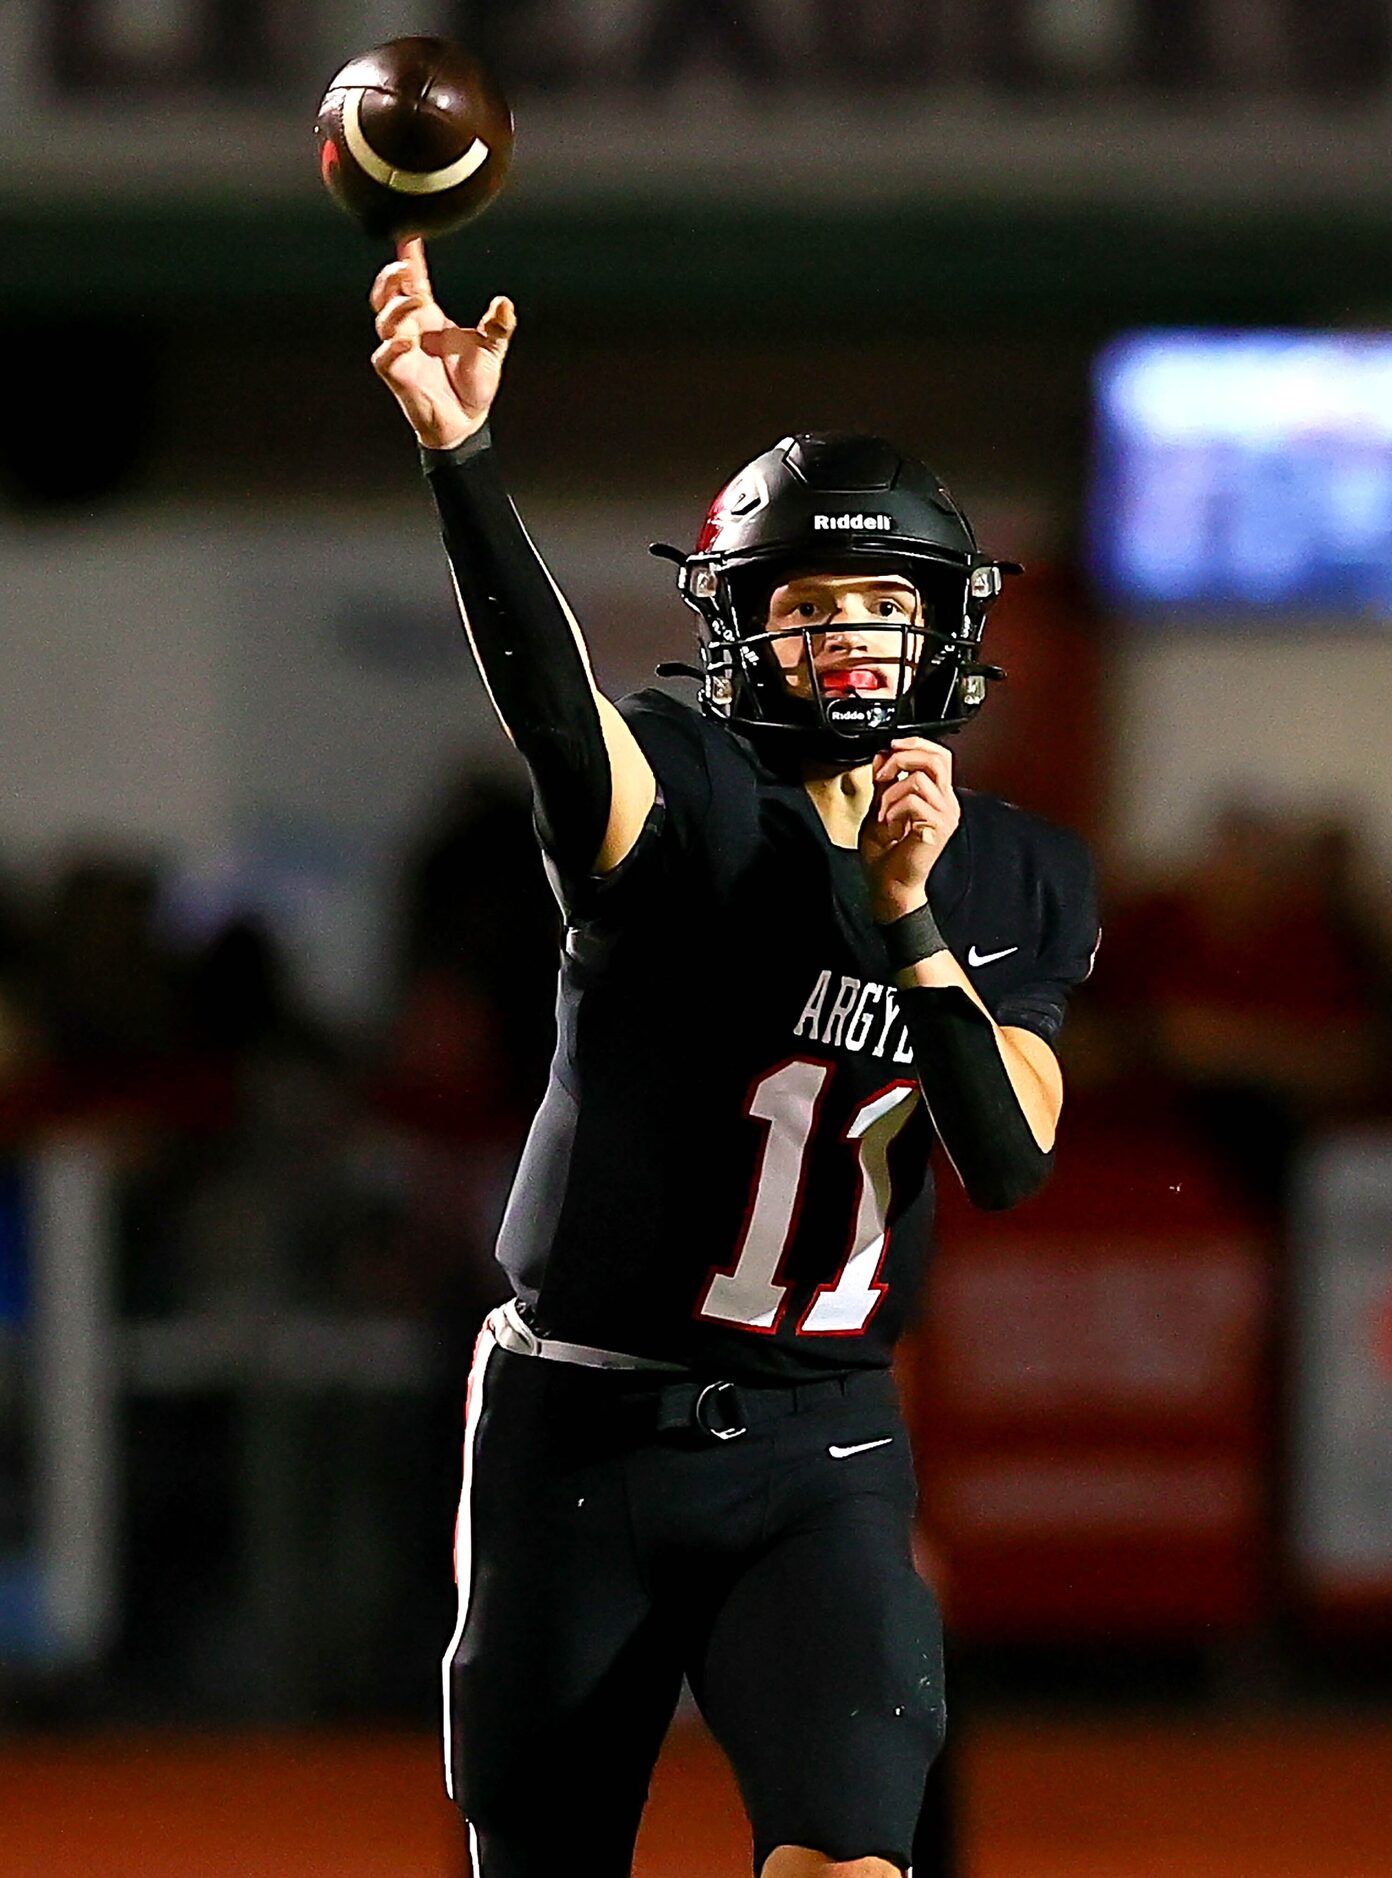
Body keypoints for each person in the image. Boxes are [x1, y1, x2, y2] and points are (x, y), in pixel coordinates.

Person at [368, 239, 1098, 1878]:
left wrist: (910, 923)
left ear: (946, 629)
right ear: (740, 630)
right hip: (581, 1422)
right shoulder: (689, 792)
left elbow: (1009, 1155)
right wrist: (459, 459)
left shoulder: (1016, 875)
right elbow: (556, 715)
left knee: (852, 1860)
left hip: (817, 1443)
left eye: (879, 602)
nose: (846, 637)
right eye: (808, 604)